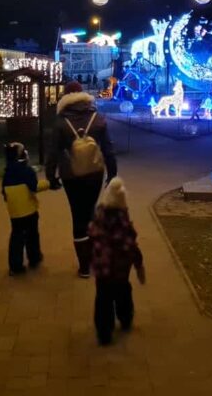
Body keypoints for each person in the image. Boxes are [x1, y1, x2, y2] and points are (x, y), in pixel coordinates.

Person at [46, 81, 117, 278]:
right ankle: (94, 256)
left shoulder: (61, 122)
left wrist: (51, 176)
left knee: (78, 214)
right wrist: (112, 173)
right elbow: (108, 149)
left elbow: (53, 152)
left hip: (71, 175)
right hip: (95, 172)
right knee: (90, 210)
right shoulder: (97, 118)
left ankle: (84, 266)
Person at [88, 177, 145, 345]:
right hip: (120, 268)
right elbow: (130, 244)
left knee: (103, 298)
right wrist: (139, 264)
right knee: (123, 292)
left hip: (102, 267)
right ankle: (125, 318)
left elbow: (91, 239)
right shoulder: (122, 222)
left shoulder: (98, 218)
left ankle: (104, 332)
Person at [1, 142, 46, 276]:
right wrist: (48, 183)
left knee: (17, 235)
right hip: (29, 209)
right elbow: (34, 187)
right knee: (32, 234)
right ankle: (34, 257)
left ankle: (15, 266)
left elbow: (4, 192)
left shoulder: (7, 172)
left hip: (14, 211)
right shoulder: (26, 171)